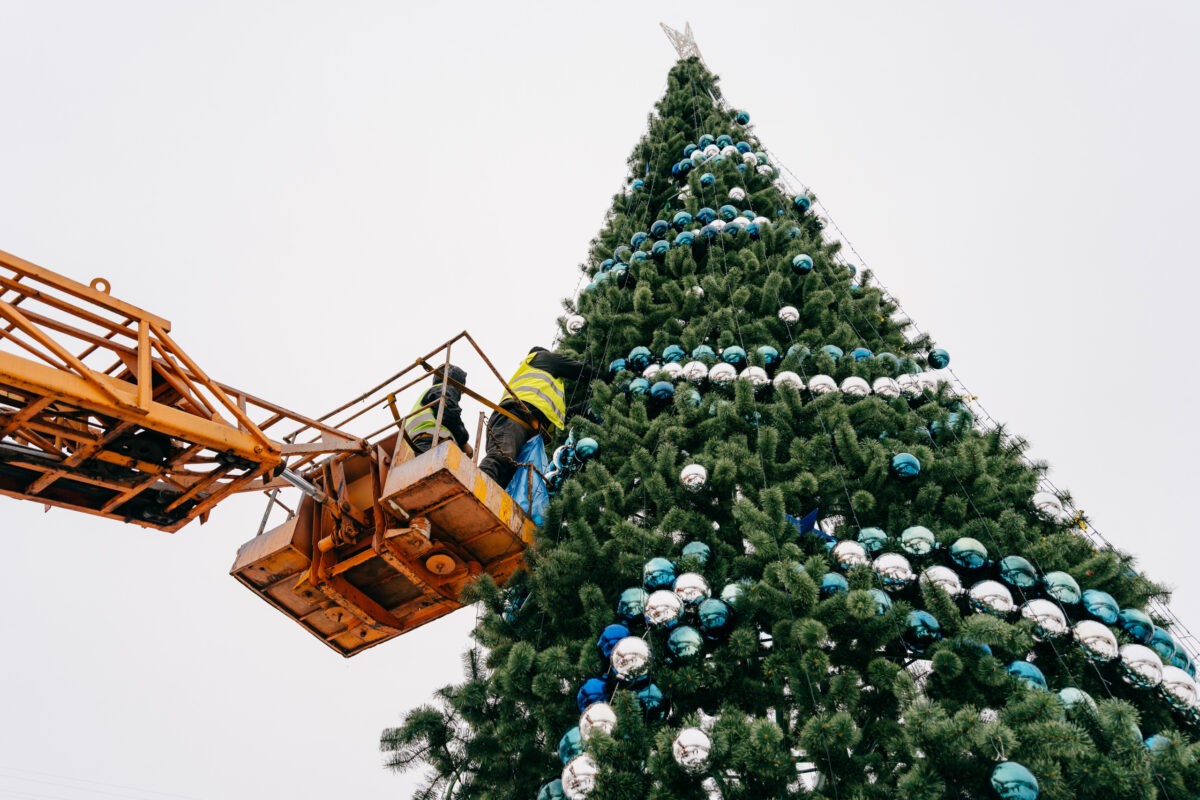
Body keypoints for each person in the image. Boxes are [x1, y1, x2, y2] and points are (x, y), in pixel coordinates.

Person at [479, 347, 596, 487]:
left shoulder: (542, 387)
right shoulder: (542, 357)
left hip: (525, 423)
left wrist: (588, 406)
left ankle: (487, 498)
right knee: (502, 458)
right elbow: (578, 369)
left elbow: (559, 414)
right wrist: (608, 376)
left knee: (510, 474)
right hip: (513, 414)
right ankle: (475, 487)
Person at [403, 364, 473, 457]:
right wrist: (463, 441)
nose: (461, 392)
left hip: (413, 445)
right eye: (462, 388)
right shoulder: (445, 388)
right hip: (431, 441)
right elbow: (449, 413)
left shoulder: (431, 391)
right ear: (457, 382)